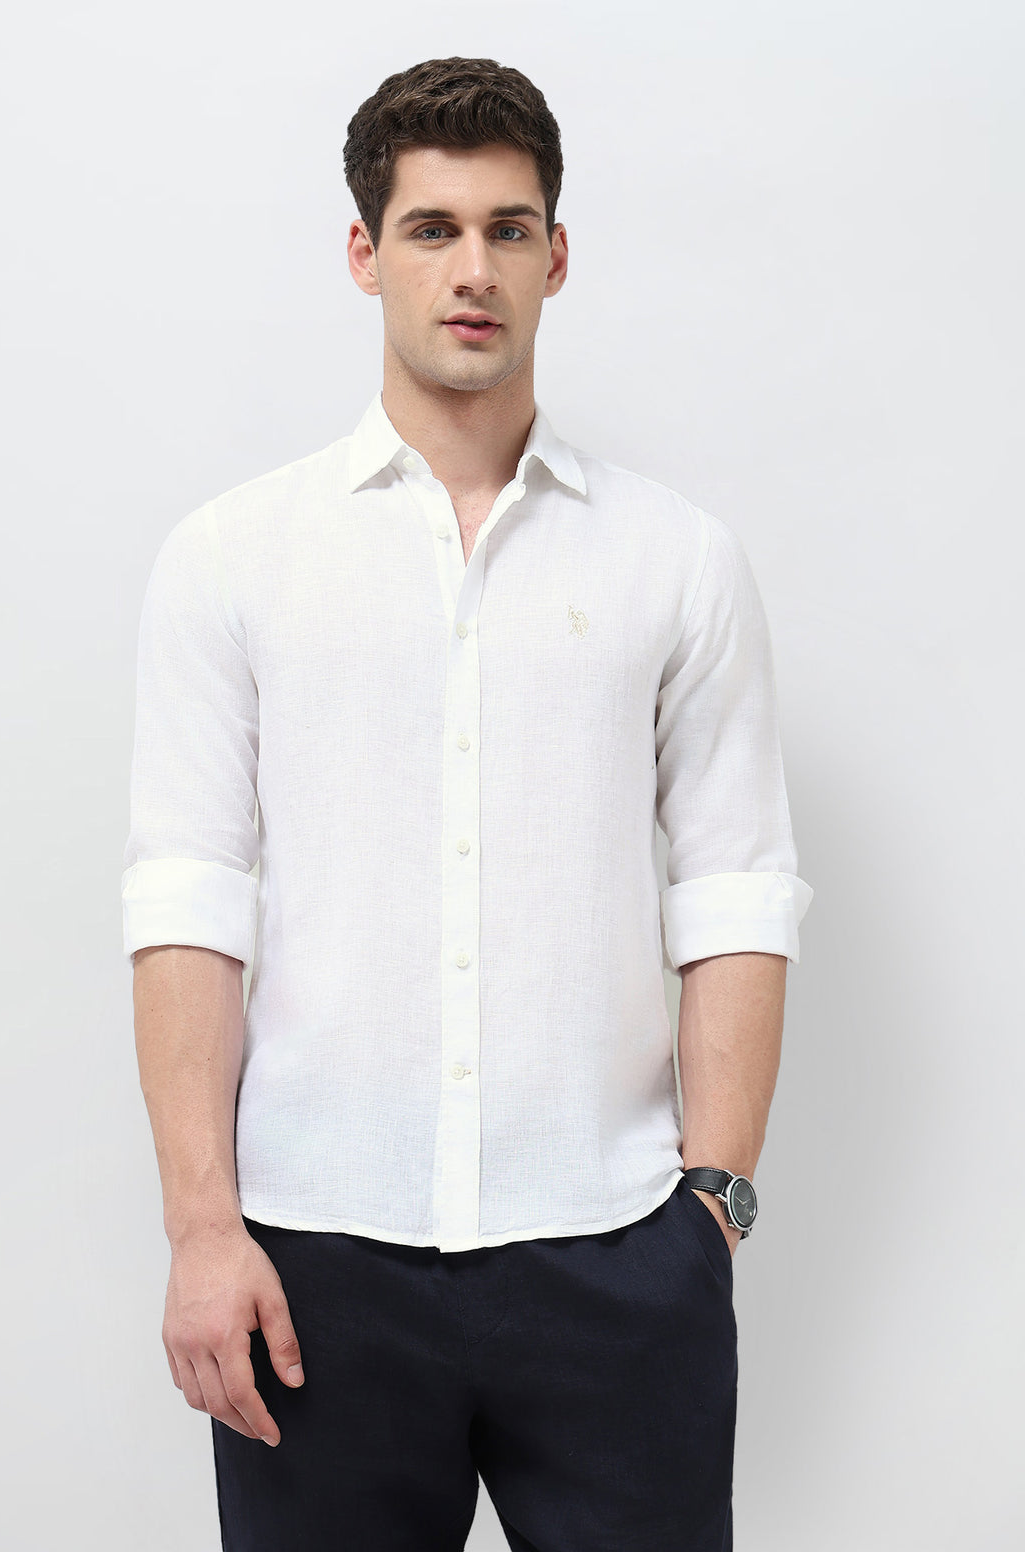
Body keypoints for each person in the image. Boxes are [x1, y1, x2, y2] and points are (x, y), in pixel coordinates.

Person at [121, 55, 812, 1552]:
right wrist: (202, 1227)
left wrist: (713, 1211)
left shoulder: (677, 560)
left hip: (618, 1255)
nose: (473, 269)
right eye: (432, 229)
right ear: (364, 253)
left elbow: (737, 893)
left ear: (557, 257)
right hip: (313, 1264)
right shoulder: (233, 556)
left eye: (509, 228)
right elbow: (189, 903)